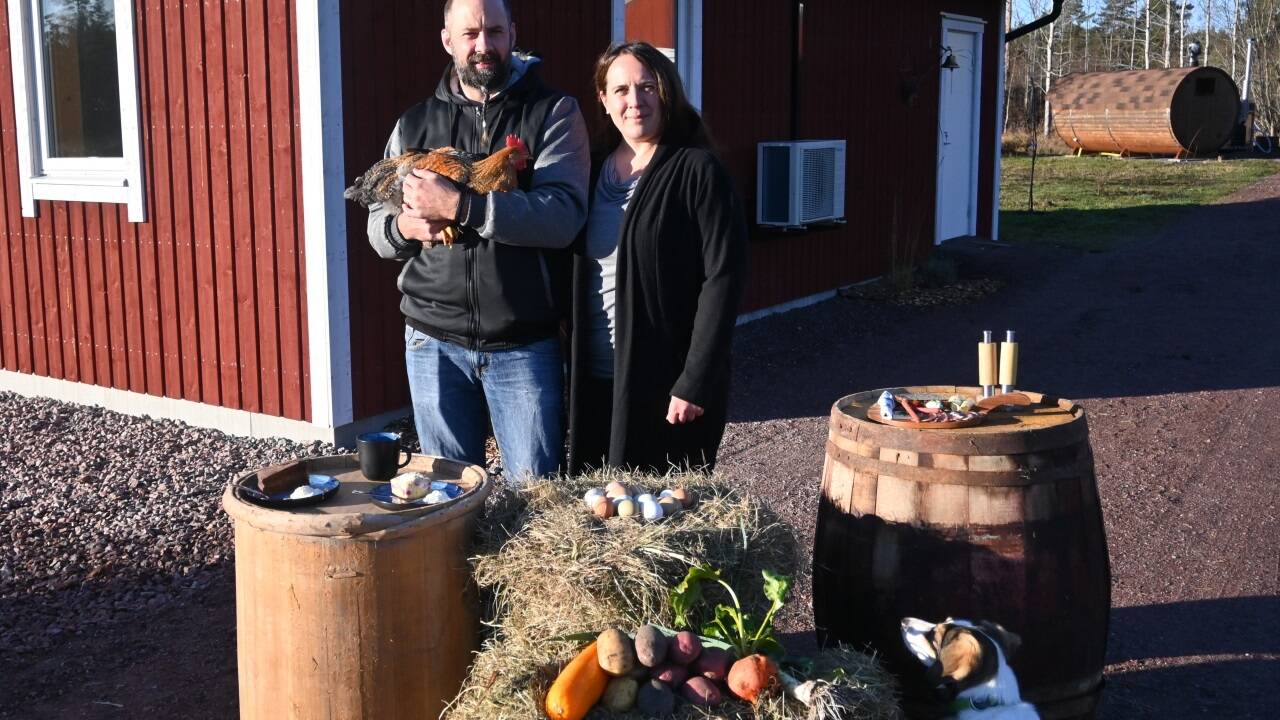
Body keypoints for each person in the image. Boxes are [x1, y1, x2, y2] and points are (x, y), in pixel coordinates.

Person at [366, 0, 590, 483]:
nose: (483, 45)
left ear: (513, 33)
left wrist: (459, 207)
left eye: (493, 31)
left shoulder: (553, 112)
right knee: (446, 497)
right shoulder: (414, 123)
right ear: (448, 41)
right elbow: (376, 227)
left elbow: (563, 218)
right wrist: (405, 228)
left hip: (523, 342)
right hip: (432, 341)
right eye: (469, 34)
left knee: (534, 496)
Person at [567, 42, 748, 475]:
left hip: (664, 387)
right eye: (622, 89)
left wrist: (695, 381)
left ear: (667, 91)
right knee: (597, 513)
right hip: (593, 381)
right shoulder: (587, 171)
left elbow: (724, 277)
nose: (635, 101)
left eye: (647, 86)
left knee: (659, 514)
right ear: (603, 99)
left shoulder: (698, 171)